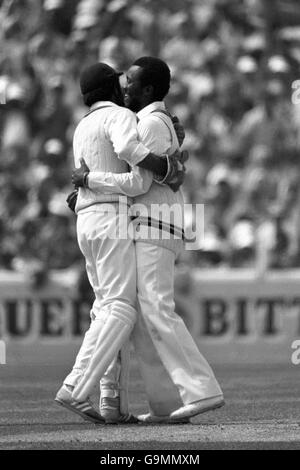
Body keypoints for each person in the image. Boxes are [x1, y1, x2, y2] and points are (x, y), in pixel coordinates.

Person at [72, 57, 224, 424]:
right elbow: (165, 167)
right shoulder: (152, 120)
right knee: (143, 315)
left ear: (149, 90)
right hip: (151, 223)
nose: (125, 89)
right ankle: (166, 403)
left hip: (157, 223)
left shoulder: (153, 123)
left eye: (132, 84)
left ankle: (202, 391)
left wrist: (90, 182)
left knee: (156, 307)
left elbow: (145, 178)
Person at [55, 62, 185, 424]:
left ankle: (112, 402)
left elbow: (82, 179)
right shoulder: (121, 118)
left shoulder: (81, 126)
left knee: (105, 309)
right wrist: (167, 163)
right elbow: (138, 183)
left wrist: (87, 183)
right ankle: (76, 387)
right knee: (121, 309)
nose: (127, 89)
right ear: (113, 89)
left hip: (86, 223)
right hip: (112, 219)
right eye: (122, 84)